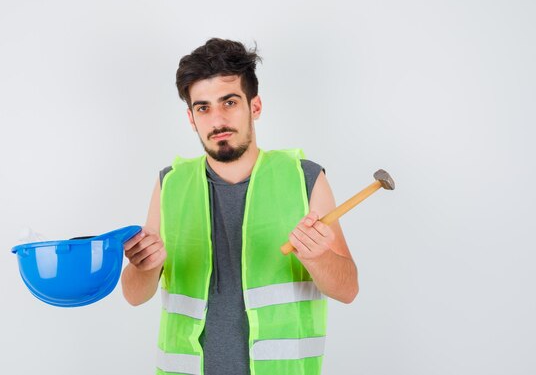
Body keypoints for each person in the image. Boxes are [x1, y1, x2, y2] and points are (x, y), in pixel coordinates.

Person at [120, 38, 359, 375]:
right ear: (191, 118)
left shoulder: (303, 177)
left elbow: (347, 289)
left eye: (229, 102)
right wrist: (144, 267)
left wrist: (318, 257)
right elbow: (133, 294)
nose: (217, 120)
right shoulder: (169, 184)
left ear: (255, 106)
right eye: (203, 107)